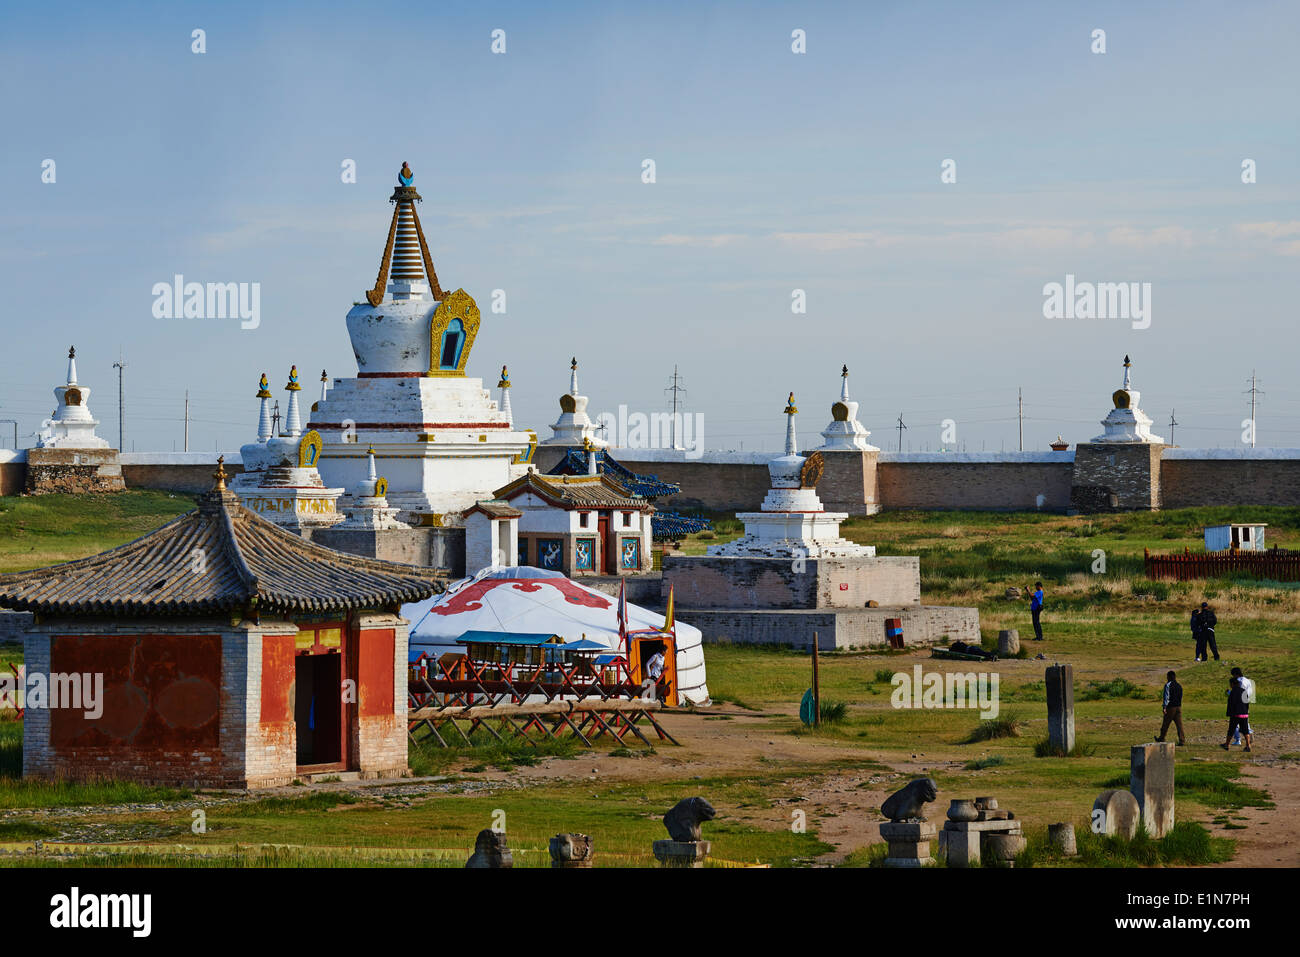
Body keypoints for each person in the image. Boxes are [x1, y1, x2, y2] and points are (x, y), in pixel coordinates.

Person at [1221, 676, 1252, 753]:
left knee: (1231, 730)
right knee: (1245, 731)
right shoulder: (1244, 691)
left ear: (1232, 684)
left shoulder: (1233, 692)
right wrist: (1246, 712)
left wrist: (1229, 713)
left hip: (1235, 714)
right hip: (1244, 714)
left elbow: (1231, 704)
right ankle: (1248, 746)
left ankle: (1227, 745)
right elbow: (1246, 703)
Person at [1155, 670, 1186, 746]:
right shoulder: (1179, 686)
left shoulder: (1168, 685)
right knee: (1179, 725)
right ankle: (1182, 740)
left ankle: (1161, 738)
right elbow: (1180, 696)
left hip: (1170, 707)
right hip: (1178, 707)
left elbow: (1166, 697)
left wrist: (1164, 707)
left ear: (1168, 677)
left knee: (1165, 724)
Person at [1230, 667, 1256, 745]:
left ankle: (1238, 740)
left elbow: (1238, 693)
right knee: (1244, 720)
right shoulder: (1248, 680)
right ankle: (1249, 733)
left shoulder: (1239, 681)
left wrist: (1229, 693)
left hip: (1239, 703)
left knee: (1235, 722)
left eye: (1233, 675)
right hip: (1246, 702)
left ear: (1236, 674)